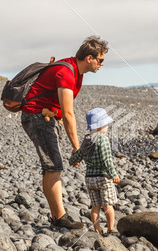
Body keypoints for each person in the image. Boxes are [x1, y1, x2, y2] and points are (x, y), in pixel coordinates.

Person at [21, 36, 108, 229]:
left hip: (46, 117)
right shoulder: (66, 72)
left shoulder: (76, 71)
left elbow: (63, 111)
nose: (102, 64)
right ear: (89, 58)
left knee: (52, 166)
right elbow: (69, 113)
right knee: (54, 166)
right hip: (37, 116)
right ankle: (59, 218)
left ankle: (57, 216)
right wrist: (77, 147)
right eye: (100, 60)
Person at [69, 108, 120, 236]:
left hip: (90, 179)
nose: (107, 127)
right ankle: (110, 228)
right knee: (108, 205)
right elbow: (106, 160)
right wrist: (114, 174)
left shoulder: (87, 140)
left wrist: (73, 160)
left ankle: (97, 229)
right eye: (106, 125)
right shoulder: (103, 139)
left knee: (95, 206)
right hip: (103, 178)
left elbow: (78, 155)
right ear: (100, 126)